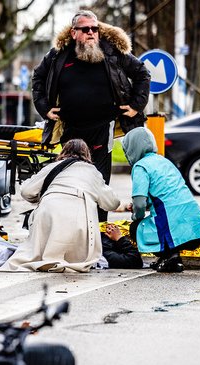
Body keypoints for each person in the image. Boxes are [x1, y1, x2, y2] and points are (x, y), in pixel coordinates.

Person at [31, 10, 150, 222]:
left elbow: (142, 73)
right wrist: (44, 108)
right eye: (85, 29)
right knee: (72, 178)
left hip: (102, 128)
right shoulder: (58, 55)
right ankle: (74, 226)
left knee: (100, 181)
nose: (91, 33)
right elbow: (38, 78)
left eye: (95, 29)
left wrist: (136, 106)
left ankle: (99, 229)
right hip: (71, 129)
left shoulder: (112, 52)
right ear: (73, 32)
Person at [0, 139, 121, 273]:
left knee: (38, 248)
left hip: (49, 209)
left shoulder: (52, 166)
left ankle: (45, 257)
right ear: (87, 154)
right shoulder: (92, 171)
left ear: (63, 151)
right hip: (79, 215)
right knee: (76, 256)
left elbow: (26, 191)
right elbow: (112, 203)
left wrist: (43, 195)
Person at [121, 127, 200, 273]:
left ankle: (170, 256)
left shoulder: (140, 167)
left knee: (135, 228)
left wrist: (137, 216)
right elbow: (167, 195)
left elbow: (139, 203)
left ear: (133, 147)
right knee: (160, 219)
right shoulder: (164, 161)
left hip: (171, 225)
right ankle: (171, 258)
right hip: (194, 227)